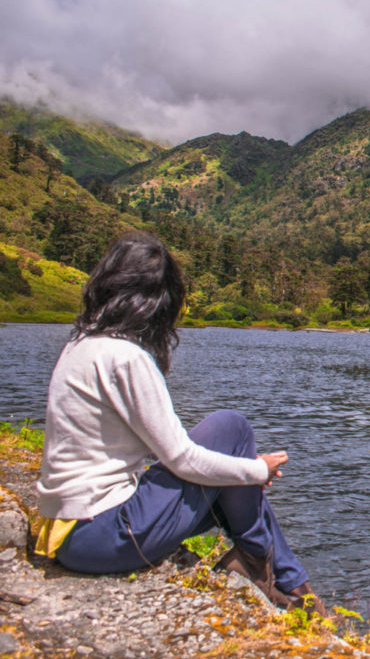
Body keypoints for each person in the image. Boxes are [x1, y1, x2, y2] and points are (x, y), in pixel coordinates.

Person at [35, 232, 326, 613]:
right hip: (103, 537)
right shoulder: (126, 357)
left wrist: (243, 474)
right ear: (158, 301)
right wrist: (256, 468)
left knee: (231, 461)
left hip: (69, 533)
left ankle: (279, 577)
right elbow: (181, 458)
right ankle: (281, 579)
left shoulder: (82, 345)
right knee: (232, 429)